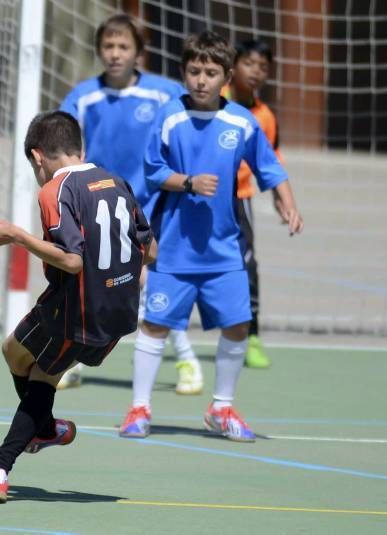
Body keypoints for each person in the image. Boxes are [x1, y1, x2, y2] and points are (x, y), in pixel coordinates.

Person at [0, 111, 156, 504]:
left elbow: (72, 261)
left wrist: (17, 235)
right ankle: (45, 429)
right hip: (116, 310)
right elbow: (148, 249)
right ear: (80, 148)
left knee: (43, 377)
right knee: (14, 351)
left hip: (78, 310)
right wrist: (124, 288)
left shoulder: (54, 191)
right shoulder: (115, 181)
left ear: (37, 157)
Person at [119, 31, 303, 442]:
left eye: (211, 72)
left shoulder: (242, 121)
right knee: (154, 325)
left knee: (238, 326)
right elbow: (151, 170)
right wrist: (186, 182)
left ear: (226, 76)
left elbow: (270, 168)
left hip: (224, 250)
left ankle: (221, 408)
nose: (201, 79)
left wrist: (287, 203)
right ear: (184, 73)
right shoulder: (169, 117)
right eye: (194, 71)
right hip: (174, 250)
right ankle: (139, 408)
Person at [59, 13, 202, 395]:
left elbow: (190, 128)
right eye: (108, 46)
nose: (116, 53)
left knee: (150, 286)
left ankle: (187, 360)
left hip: (149, 206)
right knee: (90, 287)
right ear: (99, 51)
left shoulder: (163, 93)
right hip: (99, 207)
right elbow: (65, 144)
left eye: (124, 46)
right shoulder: (84, 96)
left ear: (139, 52)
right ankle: (69, 361)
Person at [222, 39, 284, 369]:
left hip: (240, 198)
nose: (256, 72)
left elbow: (271, 162)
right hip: (201, 196)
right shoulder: (213, 102)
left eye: (263, 66)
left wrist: (280, 198)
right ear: (234, 66)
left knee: (247, 266)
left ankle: (252, 335)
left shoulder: (266, 117)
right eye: (250, 63)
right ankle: (167, 335)